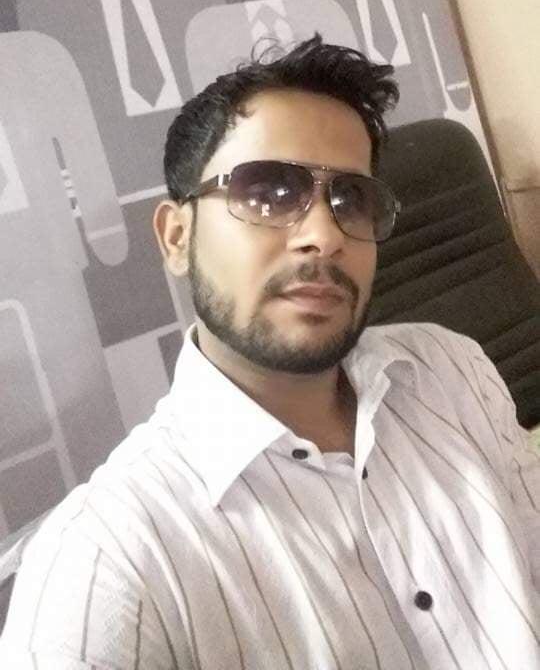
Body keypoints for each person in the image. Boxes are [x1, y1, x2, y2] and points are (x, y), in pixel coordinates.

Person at [1, 35, 539, 669]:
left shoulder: (451, 367)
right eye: (267, 193)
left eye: (352, 200)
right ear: (176, 238)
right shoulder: (111, 565)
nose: (324, 236)